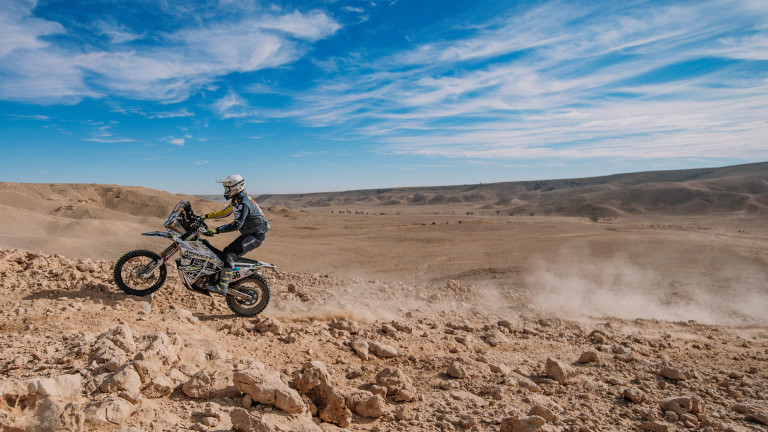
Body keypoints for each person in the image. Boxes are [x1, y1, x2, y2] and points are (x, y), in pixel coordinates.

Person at [200, 174, 270, 294]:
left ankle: (222, 287)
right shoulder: (237, 200)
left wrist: (216, 230)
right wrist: (205, 216)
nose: (226, 191)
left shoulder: (244, 203)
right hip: (249, 233)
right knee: (226, 251)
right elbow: (224, 212)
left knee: (229, 255)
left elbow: (237, 224)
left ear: (236, 188)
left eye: (227, 188)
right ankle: (221, 279)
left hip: (255, 236)